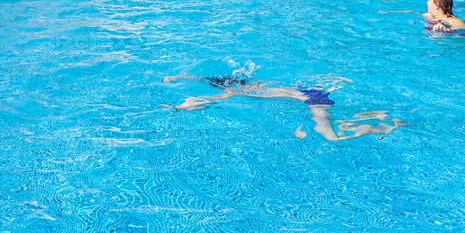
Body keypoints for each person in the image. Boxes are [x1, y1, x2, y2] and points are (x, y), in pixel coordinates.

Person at [162, 75, 402, 142]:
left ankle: (383, 123)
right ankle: (377, 116)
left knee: (331, 137)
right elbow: (203, 82)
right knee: (332, 128)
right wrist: (178, 78)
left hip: (313, 100)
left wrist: (179, 107)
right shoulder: (254, 84)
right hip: (311, 93)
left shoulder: (236, 91)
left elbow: (208, 99)